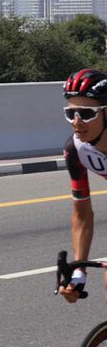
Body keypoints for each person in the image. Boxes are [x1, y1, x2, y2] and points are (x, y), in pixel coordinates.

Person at [59, 69, 107, 303]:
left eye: (86, 113)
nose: (77, 121)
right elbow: (82, 215)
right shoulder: (76, 150)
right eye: (71, 113)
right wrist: (79, 272)